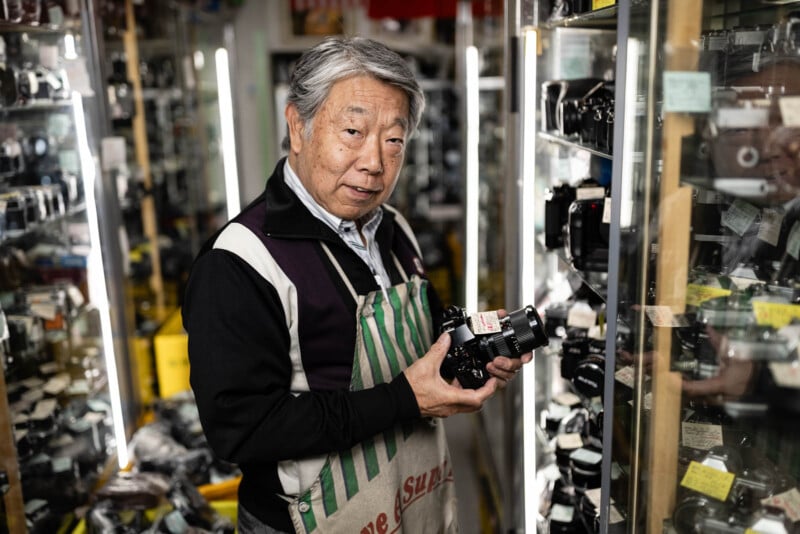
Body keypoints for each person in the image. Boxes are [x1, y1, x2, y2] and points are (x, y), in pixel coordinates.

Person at [182, 36, 531, 534]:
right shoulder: (239, 261)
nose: (374, 161)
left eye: (393, 140)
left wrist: (472, 349)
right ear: (297, 126)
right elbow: (242, 428)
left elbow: (422, 337)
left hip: (413, 499)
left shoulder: (393, 229)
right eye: (352, 131)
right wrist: (404, 400)